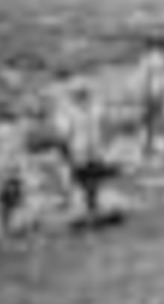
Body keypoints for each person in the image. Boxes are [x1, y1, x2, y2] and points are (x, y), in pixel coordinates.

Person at [45, 75, 117, 226]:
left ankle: (89, 209)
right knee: (88, 181)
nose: (81, 95)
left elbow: (63, 133)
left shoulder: (73, 110)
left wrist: (62, 147)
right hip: (87, 150)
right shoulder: (88, 108)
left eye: (81, 92)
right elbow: (106, 125)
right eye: (80, 92)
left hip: (84, 150)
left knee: (87, 180)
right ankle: (90, 208)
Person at [0, 104, 33, 234]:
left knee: (3, 199)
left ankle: (5, 227)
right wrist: (25, 169)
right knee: (17, 198)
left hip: (2, 167)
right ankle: (18, 225)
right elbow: (22, 152)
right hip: (15, 168)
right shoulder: (17, 131)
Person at [131, 47, 164, 163]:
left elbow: (162, 85)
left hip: (155, 98)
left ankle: (153, 149)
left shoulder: (153, 66)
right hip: (149, 98)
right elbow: (142, 82)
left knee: (155, 124)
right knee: (148, 124)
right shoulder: (148, 65)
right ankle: (146, 149)